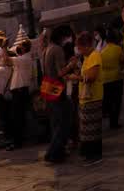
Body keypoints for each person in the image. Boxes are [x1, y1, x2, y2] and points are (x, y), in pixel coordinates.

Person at [41, 27, 75, 164]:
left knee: (56, 122)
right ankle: (53, 152)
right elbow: (61, 72)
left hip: (48, 88)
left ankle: (57, 152)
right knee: (64, 121)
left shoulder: (47, 49)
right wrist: (72, 64)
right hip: (57, 89)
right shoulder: (57, 49)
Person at [74, 31, 103, 165]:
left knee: (92, 128)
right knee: (86, 129)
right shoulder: (86, 58)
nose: (78, 51)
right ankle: (88, 153)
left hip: (93, 97)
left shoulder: (95, 56)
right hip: (85, 98)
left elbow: (91, 77)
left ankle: (95, 154)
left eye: (79, 47)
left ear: (85, 46)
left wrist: (76, 77)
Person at [98, 25, 124, 130]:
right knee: (116, 102)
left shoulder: (102, 52)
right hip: (117, 78)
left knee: (108, 101)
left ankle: (108, 121)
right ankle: (114, 123)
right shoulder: (118, 49)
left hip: (105, 80)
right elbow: (123, 60)